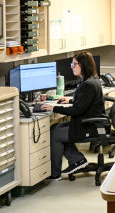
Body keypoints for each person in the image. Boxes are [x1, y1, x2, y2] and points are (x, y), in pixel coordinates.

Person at [41, 51, 108, 181]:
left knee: (55, 135)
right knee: (55, 127)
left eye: (74, 64)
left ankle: (55, 174)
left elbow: (77, 110)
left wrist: (53, 107)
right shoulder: (91, 80)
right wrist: (70, 100)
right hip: (88, 122)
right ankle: (77, 159)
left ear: (83, 65)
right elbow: (84, 102)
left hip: (90, 126)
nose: (71, 66)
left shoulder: (88, 84)